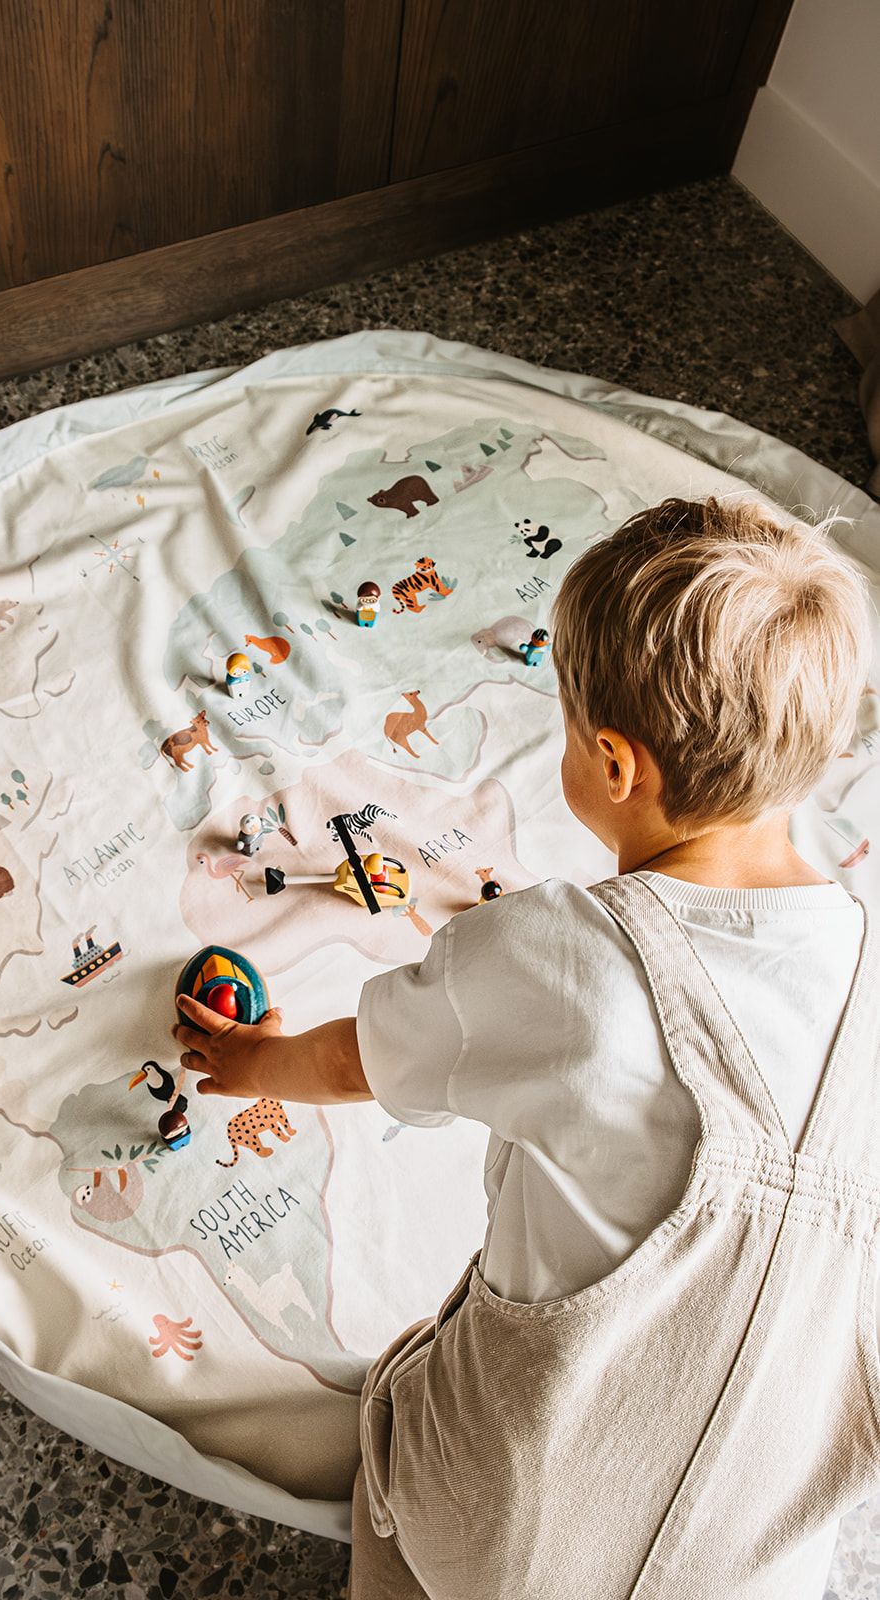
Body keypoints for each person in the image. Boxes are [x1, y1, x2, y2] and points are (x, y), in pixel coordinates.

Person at [173, 497, 878, 1599]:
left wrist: (254, 1063)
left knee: (409, 1469)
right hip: (753, 1557)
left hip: (507, 1536)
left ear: (612, 763)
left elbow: (357, 1061)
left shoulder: (560, 955)